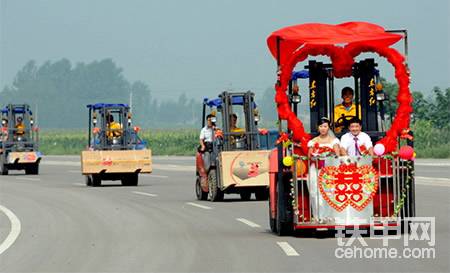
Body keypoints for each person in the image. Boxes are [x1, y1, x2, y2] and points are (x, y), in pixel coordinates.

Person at [306, 117, 341, 223]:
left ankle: (329, 216)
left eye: (325, 126)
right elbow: (309, 156)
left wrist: (329, 155)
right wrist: (316, 156)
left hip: (329, 169)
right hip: (316, 169)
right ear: (318, 128)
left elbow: (337, 154)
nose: (323, 128)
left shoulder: (334, 141)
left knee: (330, 191)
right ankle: (318, 216)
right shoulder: (313, 141)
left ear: (328, 127)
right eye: (321, 126)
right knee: (315, 192)